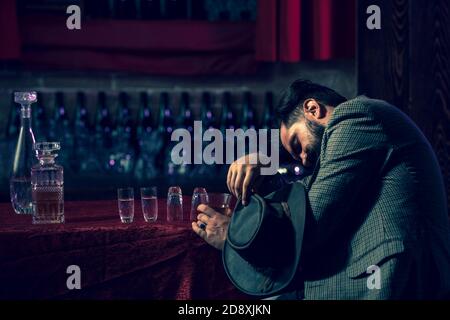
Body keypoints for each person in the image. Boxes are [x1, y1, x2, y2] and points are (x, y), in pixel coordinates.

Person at [192, 79, 450, 299]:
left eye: (296, 144)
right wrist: (268, 164)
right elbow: (302, 196)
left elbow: (309, 226)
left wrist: (233, 238)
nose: (302, 159)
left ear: (312, 108)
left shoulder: (355, 115)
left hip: (390, 279)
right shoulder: (355, 134)